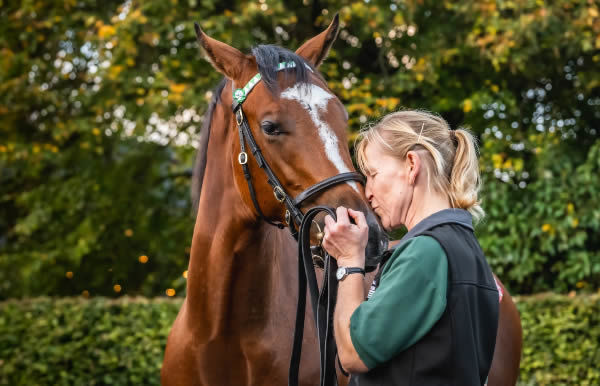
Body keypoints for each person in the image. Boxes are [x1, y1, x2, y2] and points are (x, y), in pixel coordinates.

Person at [322, 110, 499, 385]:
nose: (367, 192)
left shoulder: (425, 252)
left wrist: (348, 261)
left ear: (411, 165)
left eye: (372, 174)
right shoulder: (465, 248)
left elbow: (352, 353)